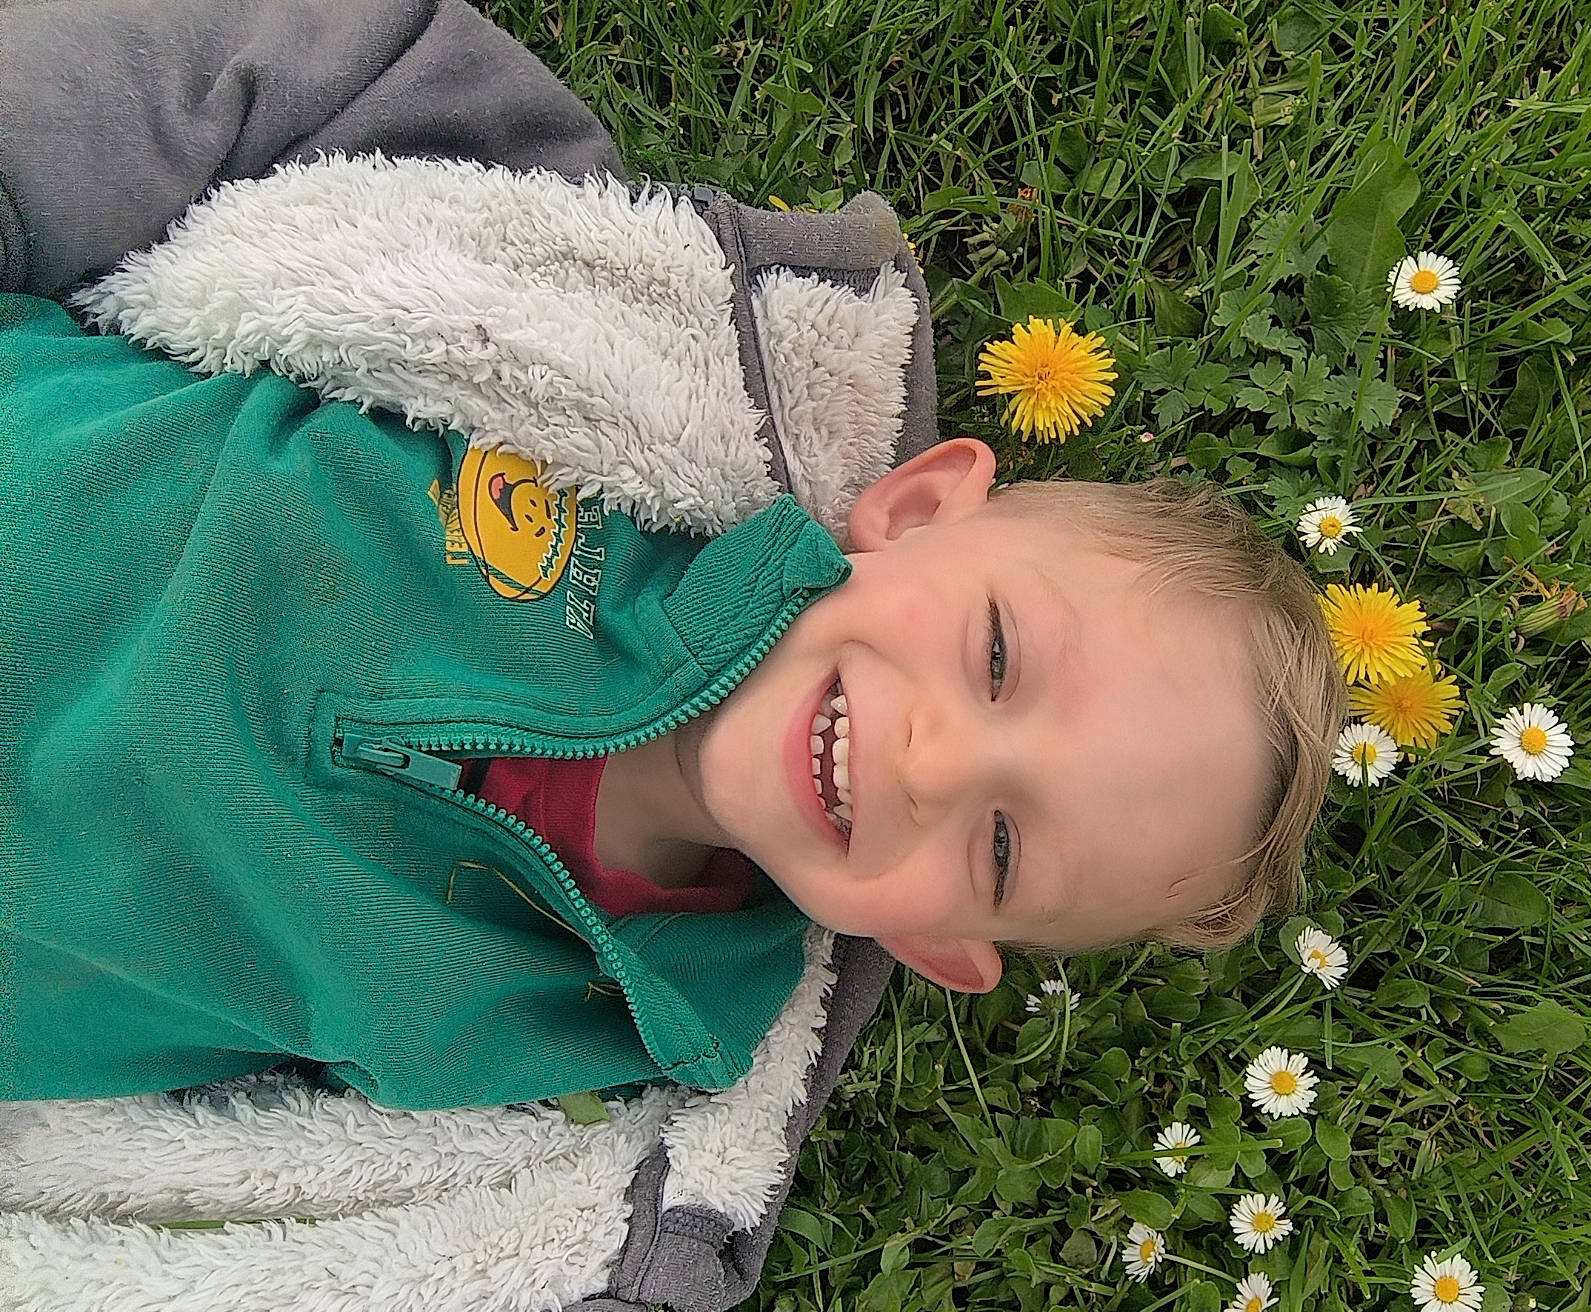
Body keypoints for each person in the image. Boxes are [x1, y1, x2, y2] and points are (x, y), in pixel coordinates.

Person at [0, 9, 1346, 1114]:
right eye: (998, 657)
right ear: (923, 509)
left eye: (1000, 846)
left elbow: (309, 1293)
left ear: (940, 948)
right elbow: (280, 58)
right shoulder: (597, 364)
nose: (935, 761)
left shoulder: (618, 1057)